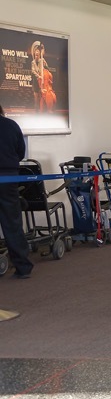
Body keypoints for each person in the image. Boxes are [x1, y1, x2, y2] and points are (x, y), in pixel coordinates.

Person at [0, 105, 33, 278]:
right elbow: (20, 152)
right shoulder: (11, 125)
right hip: (9, 178)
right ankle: (22, 267)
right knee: (12, 223)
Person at [29, 40, 56, 113]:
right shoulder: (33, 62)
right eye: (36, 53)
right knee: (36, 98)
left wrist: (45, 63)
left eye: (38, 52)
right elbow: (33, 71)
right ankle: (36, 111)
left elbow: (47, 68)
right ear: (34, 54)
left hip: (42, 83)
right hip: (36, 82)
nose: (37, 54)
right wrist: (39, 76)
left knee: (42, 97)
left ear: (40, 53)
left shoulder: (42, 60)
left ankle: (43, 110)